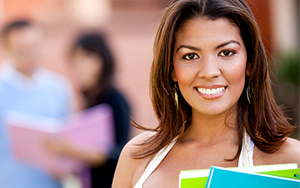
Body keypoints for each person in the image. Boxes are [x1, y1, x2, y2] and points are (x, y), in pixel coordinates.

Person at [112, 0, 300, 187]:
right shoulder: (136, 156)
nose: (209, 72)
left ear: (250, 63)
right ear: (171, 70)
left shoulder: (293, 160)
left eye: (226, 52)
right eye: (190, 56)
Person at [47, 32, 131, 188]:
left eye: (84, 60)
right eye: (74, 62)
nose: (78, 68)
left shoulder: (115, 99)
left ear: (100, 61)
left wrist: (72, 150)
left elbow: (121, 152)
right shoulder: (90, 100)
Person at [0, 19, 73, 188]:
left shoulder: (59, 88)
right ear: (7, 47)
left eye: (34, 48)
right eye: (22, 50)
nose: (29, 55)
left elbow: (68, 138)